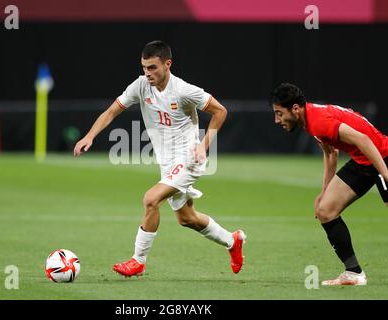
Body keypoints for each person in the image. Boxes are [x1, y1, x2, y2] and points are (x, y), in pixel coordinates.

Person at [74, 40, 246, 277]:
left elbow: (220, 111)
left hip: (188, 157)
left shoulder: (184, 90)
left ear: (167, 64)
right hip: (167, 162)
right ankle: (232, 241)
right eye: (145, 67)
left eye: (153, 67)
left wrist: (204, 146)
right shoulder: (141, 85)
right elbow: (113, 110)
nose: (148, 73)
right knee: (187, 219)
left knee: (151, 199)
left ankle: (138, 261)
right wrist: (89, 136)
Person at [271, 83, 388, 286]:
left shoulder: (318, 120)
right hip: (363, 161)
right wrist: (324, 192)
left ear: (295, 109)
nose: (276, 120)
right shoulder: (309, 119)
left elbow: (364, 140)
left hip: (382, 156)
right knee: (325, 210)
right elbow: (330, 152)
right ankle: (353, 273)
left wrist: (386, 174)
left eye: (279, 113)